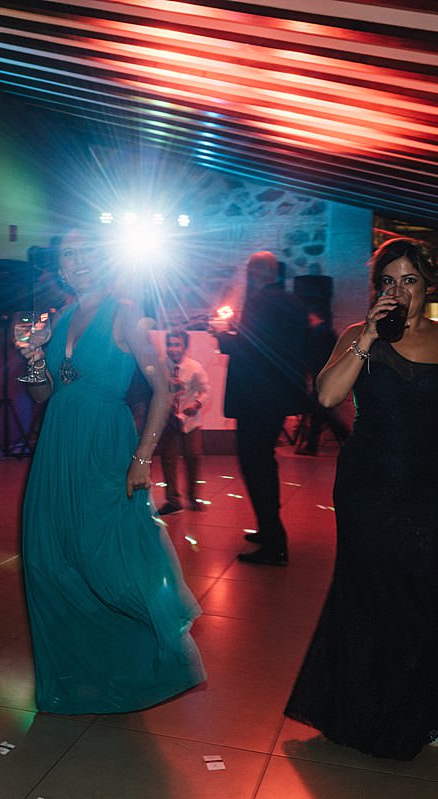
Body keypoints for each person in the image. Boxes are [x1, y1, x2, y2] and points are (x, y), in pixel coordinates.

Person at [284, 237, 438, 759]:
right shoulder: (358, 333)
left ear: (427, 286)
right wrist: (368, 338)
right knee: (365, 590)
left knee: (426, 592)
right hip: (367, 484)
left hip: (431, 487)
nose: (398, 291)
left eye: (409, 280)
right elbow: (327, 394)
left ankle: (428, 707)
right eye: (388, 282)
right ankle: (356, 707)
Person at [16, 229, 205, 713]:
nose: (77, 261)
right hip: (58, 447)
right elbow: (44, 395)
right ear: (59, 267)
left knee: (108, 563)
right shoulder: (60, 317)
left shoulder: (125, 314)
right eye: (68, 255)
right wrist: (33, 359)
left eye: (86, 254)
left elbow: (163, 390)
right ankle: (86, 668)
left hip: (106, 446)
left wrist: (142, 458)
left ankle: (146, 653)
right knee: (48, 559)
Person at [211, 251, 308, 566]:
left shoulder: (259, 302)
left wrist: (221, 334)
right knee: (264, 462)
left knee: (255, 466)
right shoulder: (292, 302)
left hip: (256, 398)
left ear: (257, 273)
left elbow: (248, 348)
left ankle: (274, 541)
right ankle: (268, 530)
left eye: (250, 271)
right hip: (275, 396)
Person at [156, 328, 210, 515]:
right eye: (169, 345)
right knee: (168, 459)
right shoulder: (160, 366)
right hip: (169, 421)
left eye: (177, 345)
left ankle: (192, 498)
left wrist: (197, 404)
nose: (172, 349)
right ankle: (172, 501)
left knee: (193, 457)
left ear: (185, 347)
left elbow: (206, 391)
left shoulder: (195, 367)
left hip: (190, 421)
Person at [295, 308, 349, 455]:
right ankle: (314, 444)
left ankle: (314, 445)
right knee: (322, 412)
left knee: (321, 411)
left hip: (321, 377)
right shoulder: (327, 332)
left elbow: (315, 357)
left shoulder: (319, 333)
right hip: (327, 377)